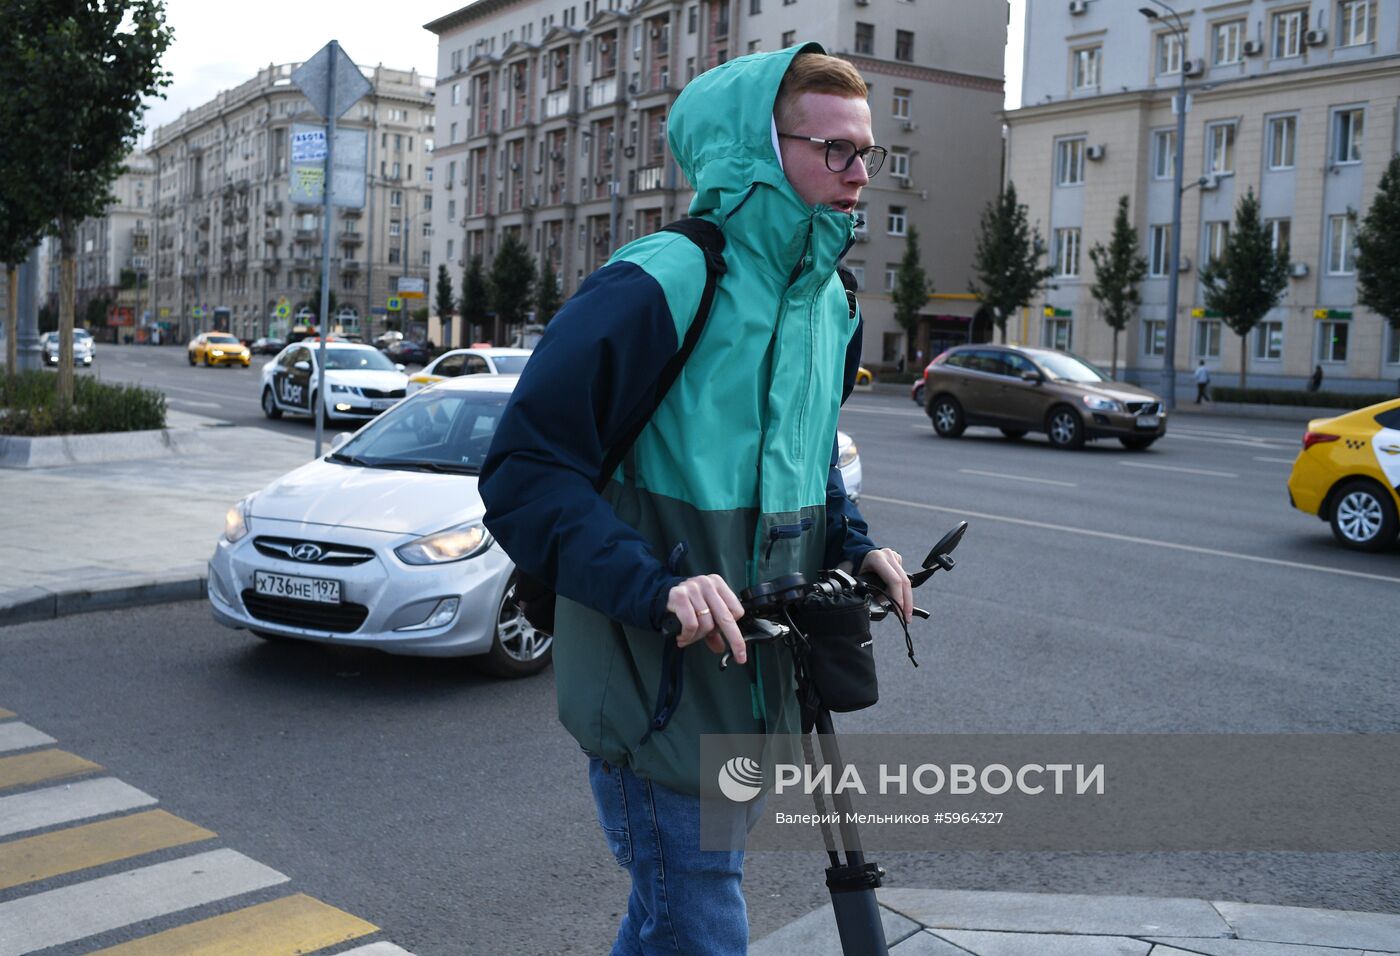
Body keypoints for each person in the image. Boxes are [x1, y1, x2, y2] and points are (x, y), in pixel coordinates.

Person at [480, 44, 911, 955]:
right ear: (759, 150)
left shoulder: (827, 302)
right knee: (702, 922)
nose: (861, 173)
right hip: (658, 684)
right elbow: (524, 468)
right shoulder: (667, 278)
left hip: (755, 685)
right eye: (836, 150)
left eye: (868, 152)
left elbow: (811, 463)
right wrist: (654, 586)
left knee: (668, 916)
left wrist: (855, 544)